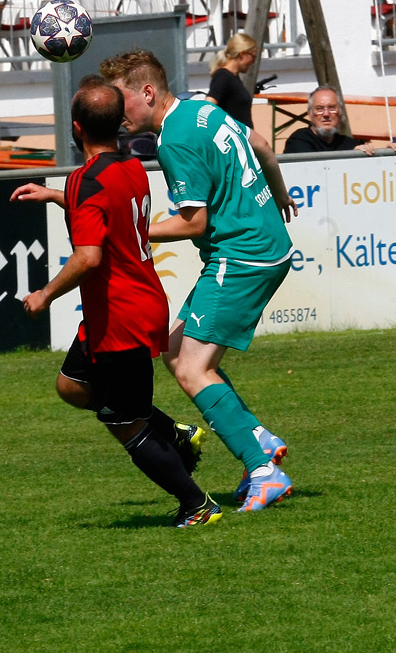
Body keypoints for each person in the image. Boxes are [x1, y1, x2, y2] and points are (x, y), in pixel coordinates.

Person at [11, 77, 219, 528]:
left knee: (124, 422)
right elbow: (103, 204)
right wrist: (54, 195)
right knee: (72, 386)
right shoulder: (131, 168)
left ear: (76, 127)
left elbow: (89, 256)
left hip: (121, 315)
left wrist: (45, 294)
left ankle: (197, 505)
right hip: (131, 306)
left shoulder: (87, 180)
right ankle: (174, 434)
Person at [100, 49, 296, 513]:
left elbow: (193, 224)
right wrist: (280, 193)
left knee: (192, 368)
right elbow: (263, 145)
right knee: (173, 350)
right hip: (259, 246)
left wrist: (130, 230)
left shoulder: (174, 141)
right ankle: (256, 438)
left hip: (243, 255)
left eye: (120, 99)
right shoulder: (199, 107)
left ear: (147, 93)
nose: (115, 111)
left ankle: (263, 469)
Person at [283, 85, 378, 154]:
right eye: (319, 109)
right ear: (310, 114)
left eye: (332, 108)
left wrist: (388, 152)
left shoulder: (349, 143)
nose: (326, 114)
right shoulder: (299, 141)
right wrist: (350, 157)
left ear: (340, 113)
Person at [206, 33, 257, 128]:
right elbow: (208, 106)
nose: (254, 61)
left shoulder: (233, 77)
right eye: (253, 56)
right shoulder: (223, 76)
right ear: (242, 54)